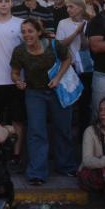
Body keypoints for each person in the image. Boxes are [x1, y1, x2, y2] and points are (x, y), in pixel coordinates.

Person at [10, 19, 76, 185]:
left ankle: (66, 166)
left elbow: (68, 59)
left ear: (39, 32)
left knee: (63, 128)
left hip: (57, 90)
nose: (27, 35)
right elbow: (15, 72)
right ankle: (37, 173)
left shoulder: (54, 45)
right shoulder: (20, 51)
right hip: (34, 93)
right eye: (24, 32)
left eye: (30, 31)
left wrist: (58, 77)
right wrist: (18, 81)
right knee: (36, 131)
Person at [56, 0, 93, 130]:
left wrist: (82, 32)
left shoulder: (90, 23)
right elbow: (60, 45)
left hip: (86, 67)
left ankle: (83, 134)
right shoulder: (63, 23)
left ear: (81, 8)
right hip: (69, 67)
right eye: (67, 7)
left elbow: (86, 46)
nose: (68, 10)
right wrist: (76, 33)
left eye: (71, 6)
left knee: (85, 103)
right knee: (70, 102)